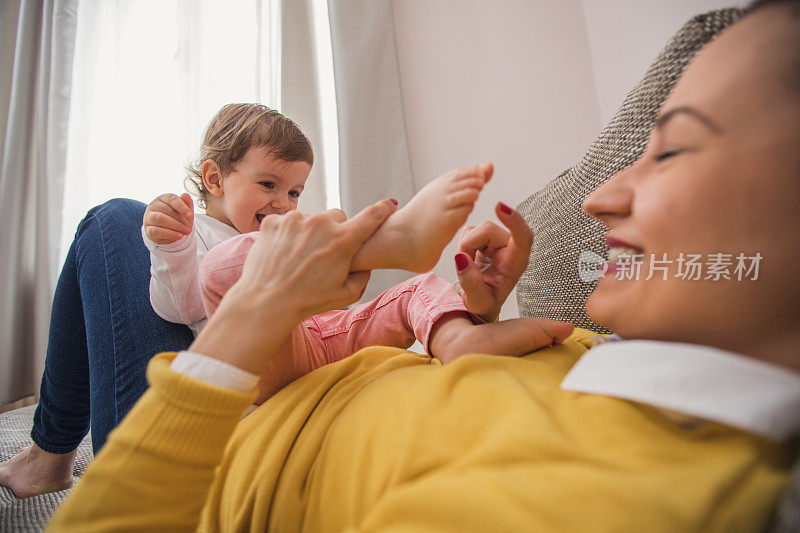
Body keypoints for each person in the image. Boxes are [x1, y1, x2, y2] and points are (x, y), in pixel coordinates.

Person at [44, 1, 800, 529]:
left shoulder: (613, 495)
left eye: (672, 148)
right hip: (300, 367)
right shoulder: (583, 349)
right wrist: (477, 316)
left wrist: (254, 312)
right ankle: (44, 455)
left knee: (115, 222)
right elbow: (454, 412)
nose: (600, 198)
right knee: (146, 231)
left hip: (198, 459)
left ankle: (47, 451)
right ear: (214, 176)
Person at [143, 103, 548, 401]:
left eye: (294, 192)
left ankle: (455, 338)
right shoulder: (195, 233)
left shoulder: (282, 229)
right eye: (268, 185)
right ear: (214, 178)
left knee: (414, 289)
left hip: (325, 337)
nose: (283, 203)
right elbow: (178, 308)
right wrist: (173, 248)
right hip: (263, 355)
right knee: (222, 268)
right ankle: (386, 244)